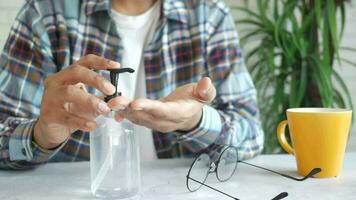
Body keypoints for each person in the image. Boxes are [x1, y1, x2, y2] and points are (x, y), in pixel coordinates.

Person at [0, 0, 263, 169]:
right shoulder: (45, 12)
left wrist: (195, 120)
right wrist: (41, 136)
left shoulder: (209, 14)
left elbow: (251, 134)